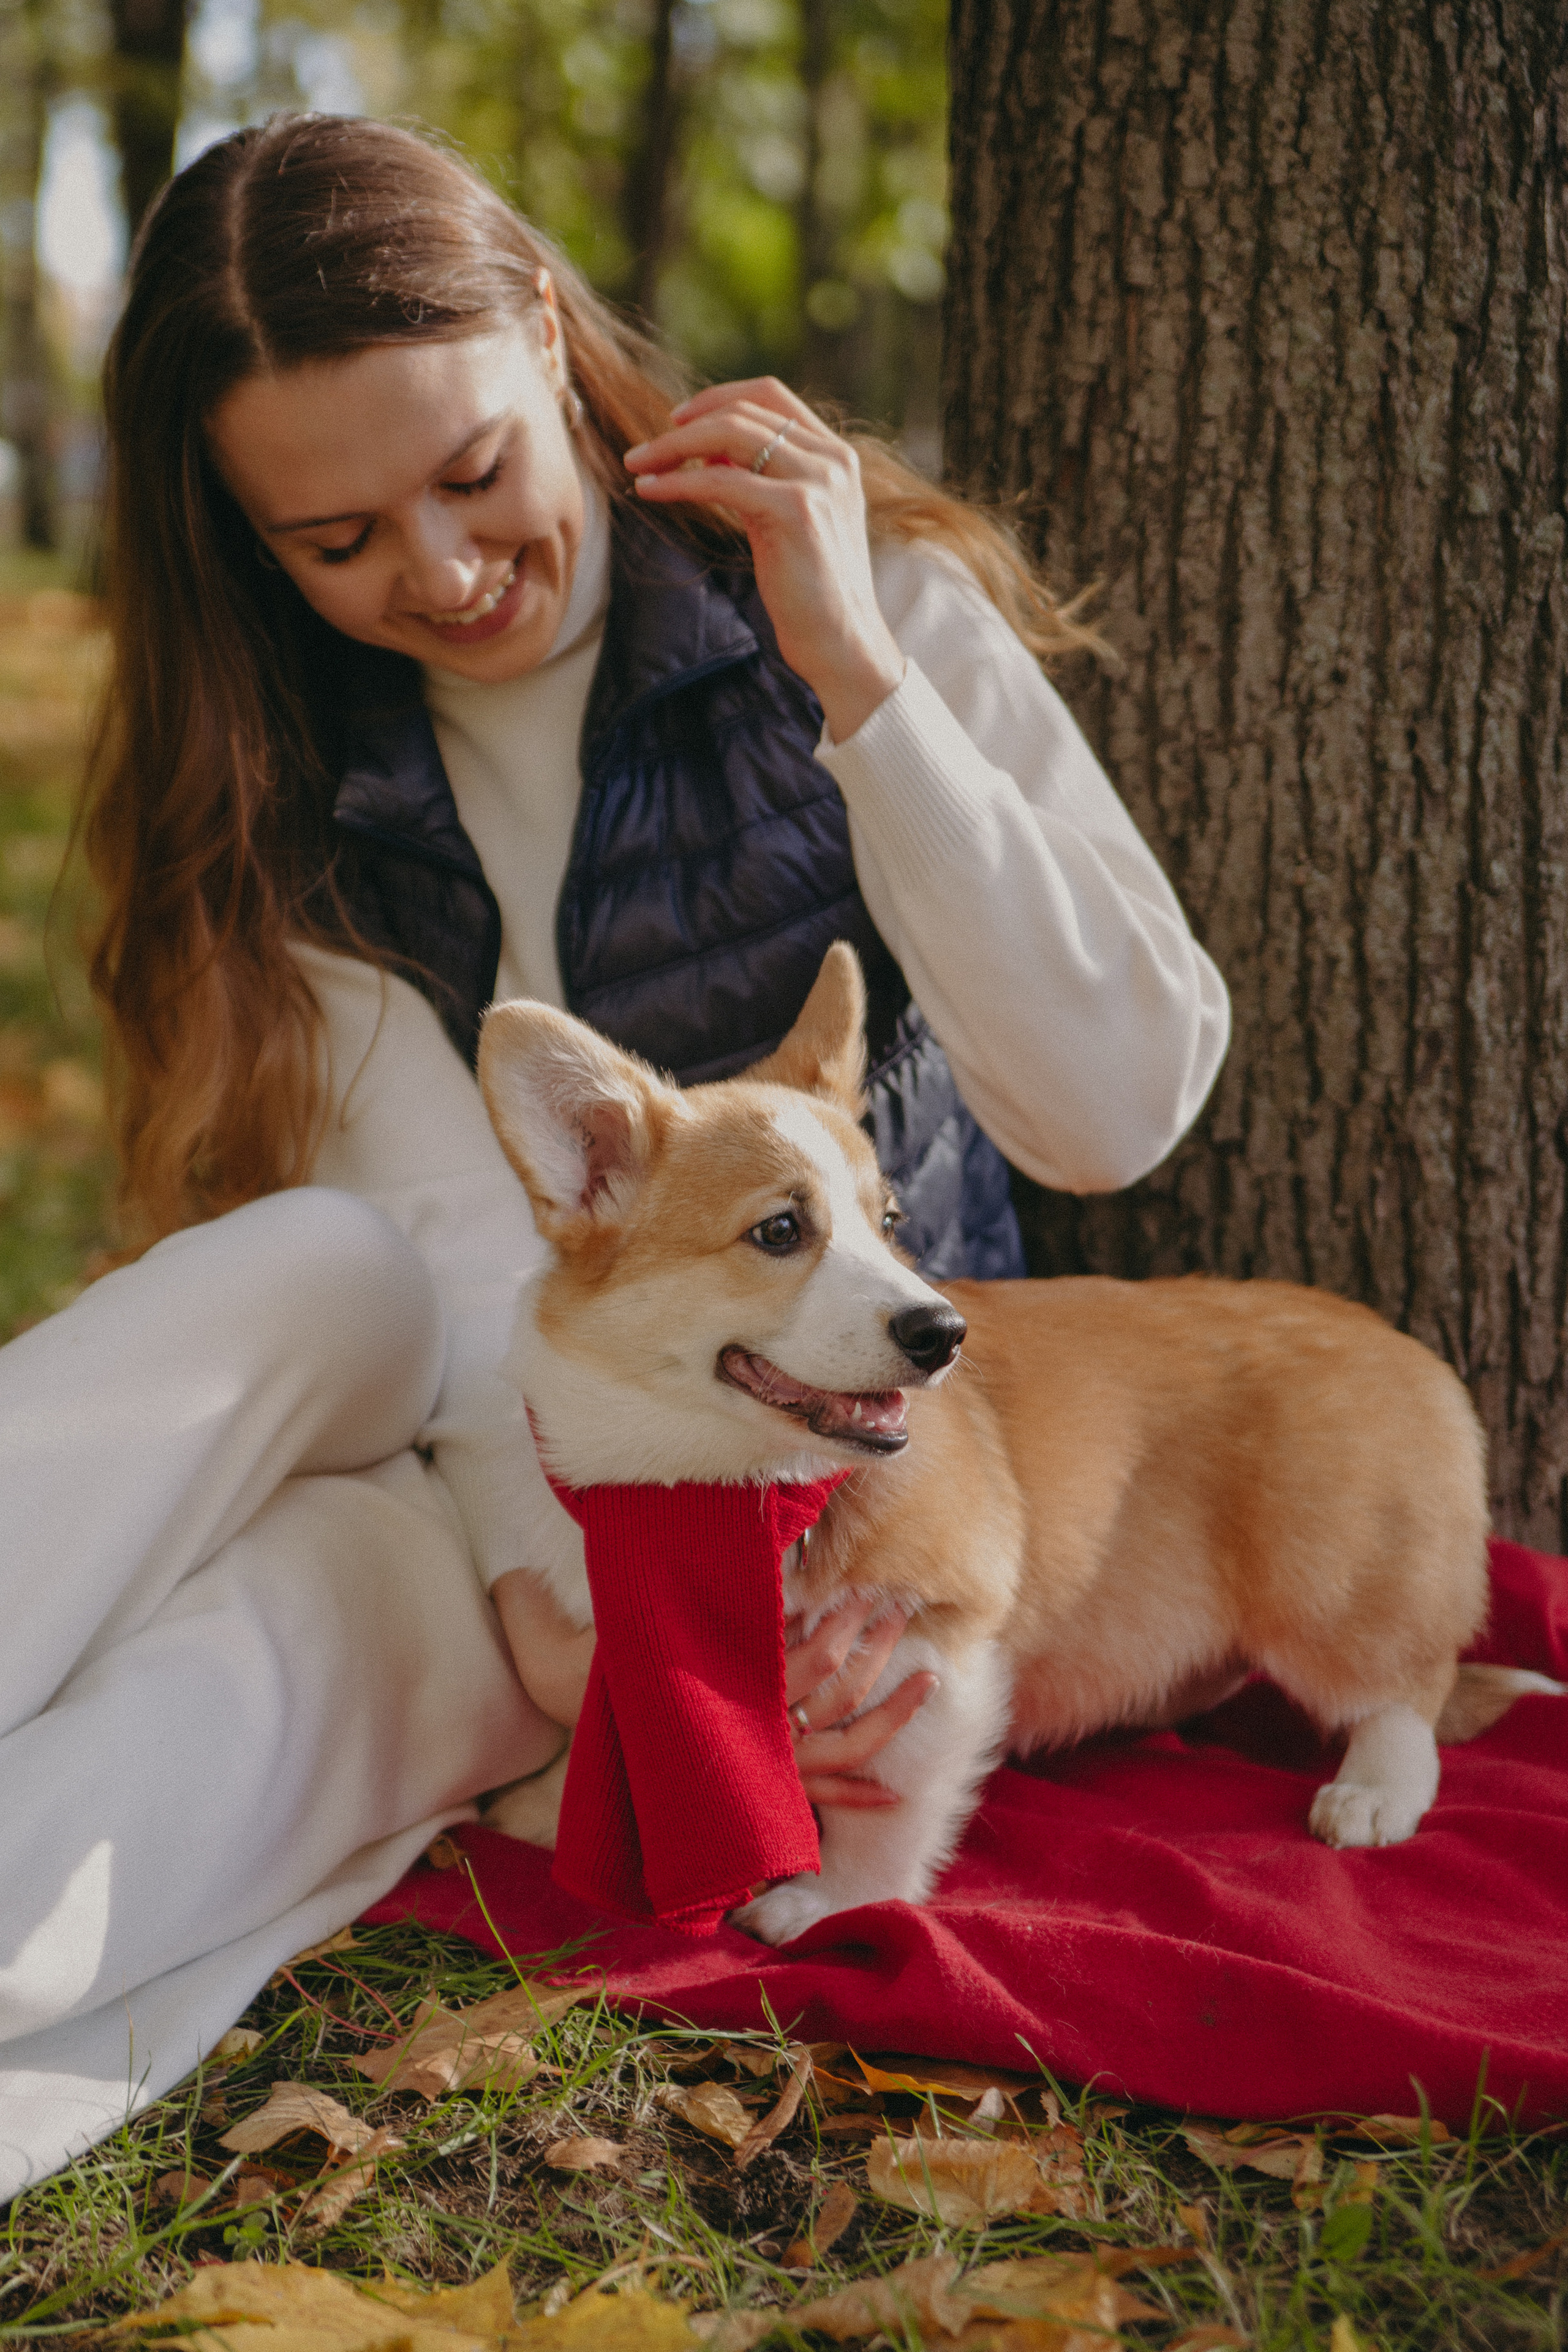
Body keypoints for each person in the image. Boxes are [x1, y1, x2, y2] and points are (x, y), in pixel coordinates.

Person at [0, 113, 1229, 2199]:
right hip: (496, 1470)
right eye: (338, 539)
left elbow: (1116, 1107)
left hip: (813, 1488)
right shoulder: (276, 776)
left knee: (223, 1703)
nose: (441, 571)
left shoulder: (862, 601)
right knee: (305, 1267)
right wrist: (558, 1606)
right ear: (248, 541)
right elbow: (443, 1271)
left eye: (474, 471)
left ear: (553, 342)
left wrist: (859, 675)